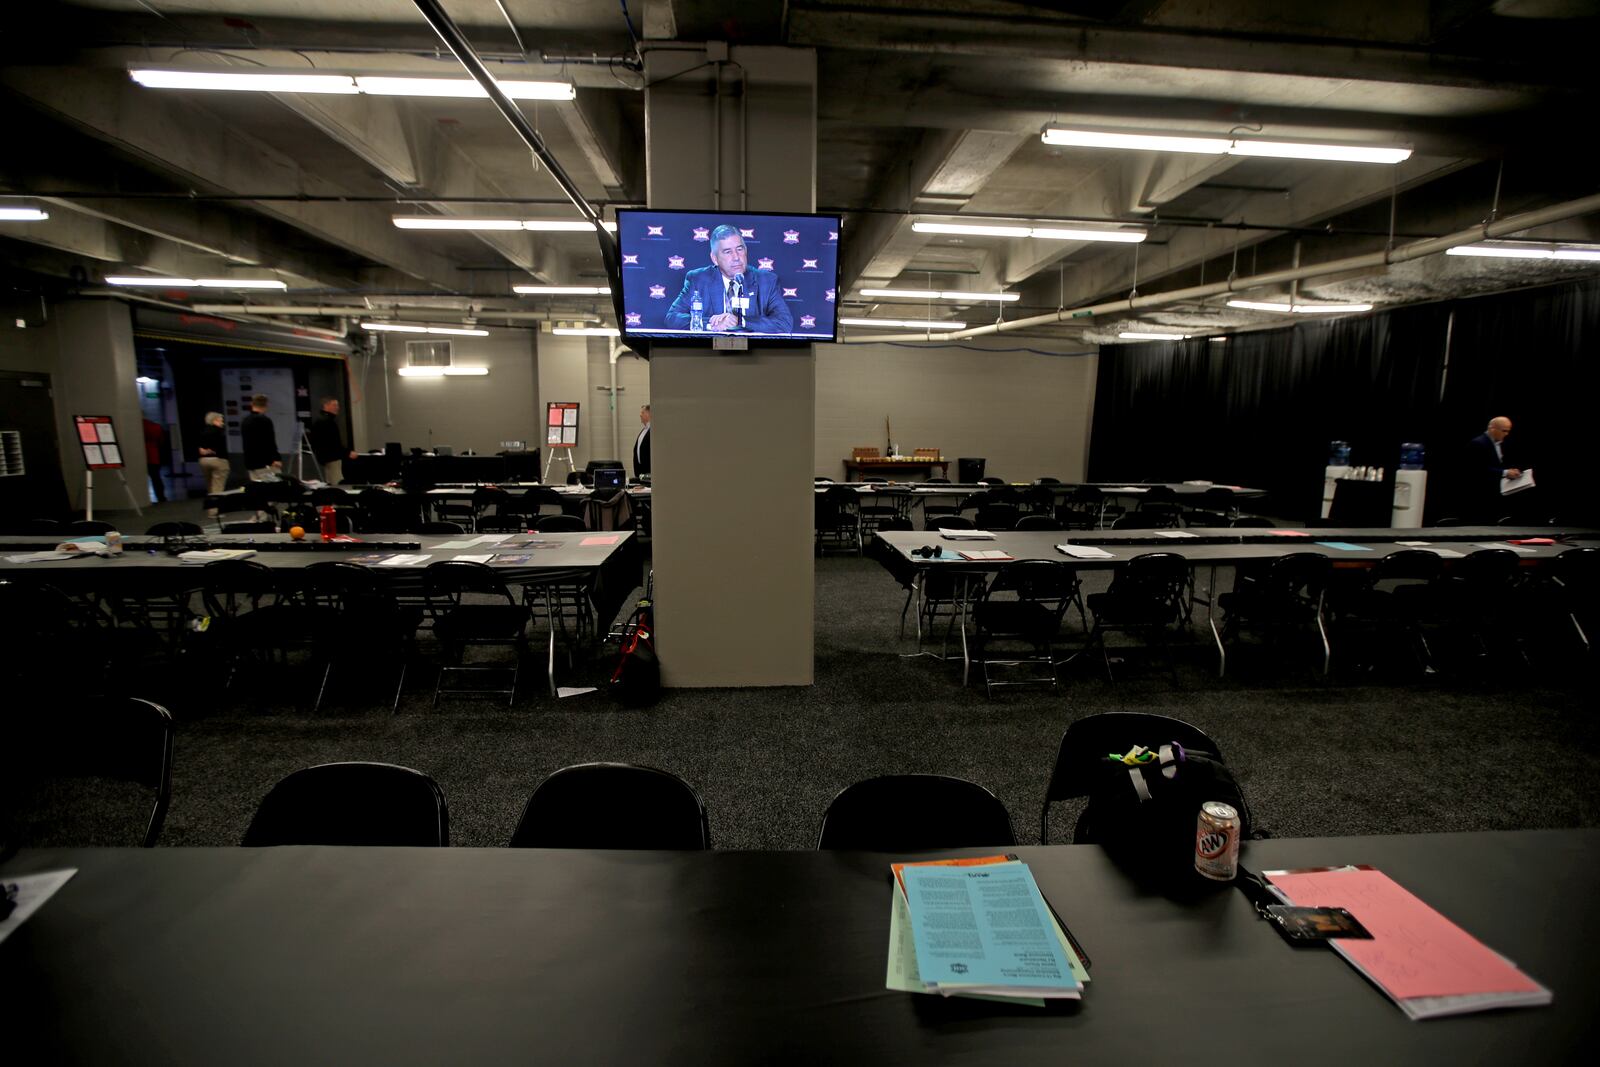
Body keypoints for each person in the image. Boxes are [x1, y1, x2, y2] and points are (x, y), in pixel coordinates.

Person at [663, 224, 794, 334]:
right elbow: (672, 318)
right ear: (714, 258)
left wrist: (740, 321)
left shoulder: (766, 281)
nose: (736, 257)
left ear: (746, 251)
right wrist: (711, 324)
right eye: (727, 252)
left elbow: (784, 323)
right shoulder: (698, 280)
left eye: (739, 249)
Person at [1466, 416, 1522, 521]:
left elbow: (1497, 465)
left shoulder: (1499, 444)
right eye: (1504, 431)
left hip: (1496, 494)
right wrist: (1505, 472)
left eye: (1508, 431)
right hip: (1481, 496)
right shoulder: (1478, 443)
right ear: (1492, 429)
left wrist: (1511, 471)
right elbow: (1478, 470)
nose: (1506, 434)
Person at [309, 397, 356, 486]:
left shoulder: (319, 421)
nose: (337, 407)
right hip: (333, 458)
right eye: (334, 405)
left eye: (337, 405)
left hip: (326, 458)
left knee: (331, 482)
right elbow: (333, 442)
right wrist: (347, 452)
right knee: (337, 484)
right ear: (326, 406)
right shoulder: (327, 422)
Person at [240, 394, 281, 481]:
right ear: (266, 406)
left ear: (252, 405)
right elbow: (269, 441)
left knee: (257, 490)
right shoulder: (265, 421)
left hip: (250, 462)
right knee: (275, 488)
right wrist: (276, 458)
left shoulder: (245, 421)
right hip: (265, 462)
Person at [196, 411, 230, 517]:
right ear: (214, 420)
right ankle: (215, 511)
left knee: (210, 486)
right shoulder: (219, 432)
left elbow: (200, 449)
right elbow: (219, 449)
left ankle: (210, 508)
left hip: (204, 461)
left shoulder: (202, 432)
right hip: (218, 460)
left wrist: (206, 451)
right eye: (221, 420)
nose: (222, 423)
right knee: (218, 487)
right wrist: (212, 451)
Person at [142, 417, 167, 503]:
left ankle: (143, 498)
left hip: (142, 455)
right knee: (156, 478)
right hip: (154, 455)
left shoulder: (139, 426)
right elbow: (161, 441)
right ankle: (161, 497)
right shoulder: (156, 427)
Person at [633, 404, 651, 479]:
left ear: (649, 414)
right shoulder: (644, 431)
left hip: (649, 473)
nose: (640, 415)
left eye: (643, 412)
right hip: (640, 473)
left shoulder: (654, 432)